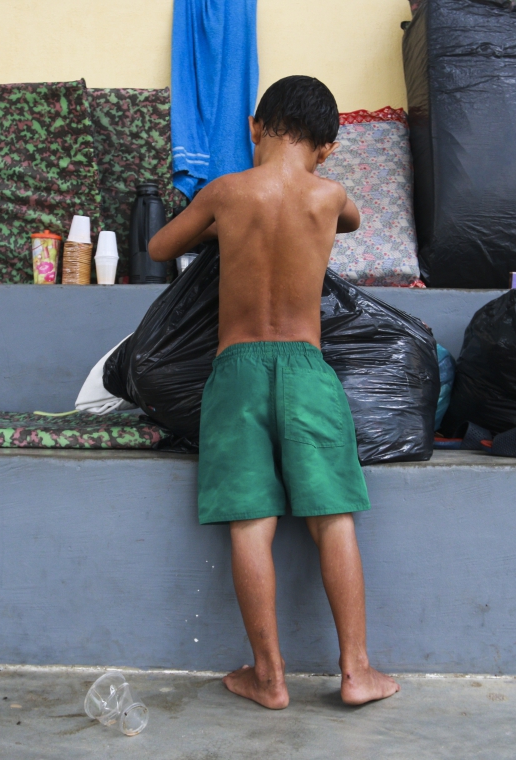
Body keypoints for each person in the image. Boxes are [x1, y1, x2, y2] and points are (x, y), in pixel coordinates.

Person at [148, 75, 399, 709]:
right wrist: (315, 175)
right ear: (328, 146)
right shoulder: (329, 194)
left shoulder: (226, 193)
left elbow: (158, 247)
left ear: (255, 127)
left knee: (249, 525)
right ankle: (356, 671)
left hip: (234, 372)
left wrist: (218, 223)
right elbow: (353, 218)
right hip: (307, 370)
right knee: (332, 517)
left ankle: (268, 675)